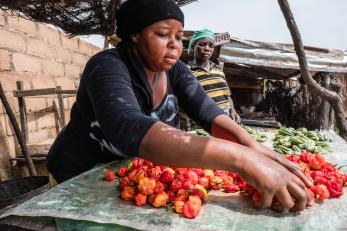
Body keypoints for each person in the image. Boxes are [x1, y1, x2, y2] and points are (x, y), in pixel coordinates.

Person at [47, 0, 311, 213]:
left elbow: (208, 113)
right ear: (135, 35)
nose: (175, 44)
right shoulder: (107, 66)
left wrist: (253, 147)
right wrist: (241, 159)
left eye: (178, 36)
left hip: (127, 179)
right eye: (163, 34)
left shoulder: (177, 71)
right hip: (79, 178)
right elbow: (127, 126)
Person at [188, 29, 240, 123]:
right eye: (202, 44)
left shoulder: (218, 70)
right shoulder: (187, 72)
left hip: (226, 119)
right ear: (193, 46)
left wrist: (233, 111)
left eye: (211, 46)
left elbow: (227, 94)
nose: (207, 48)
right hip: (203, 122)